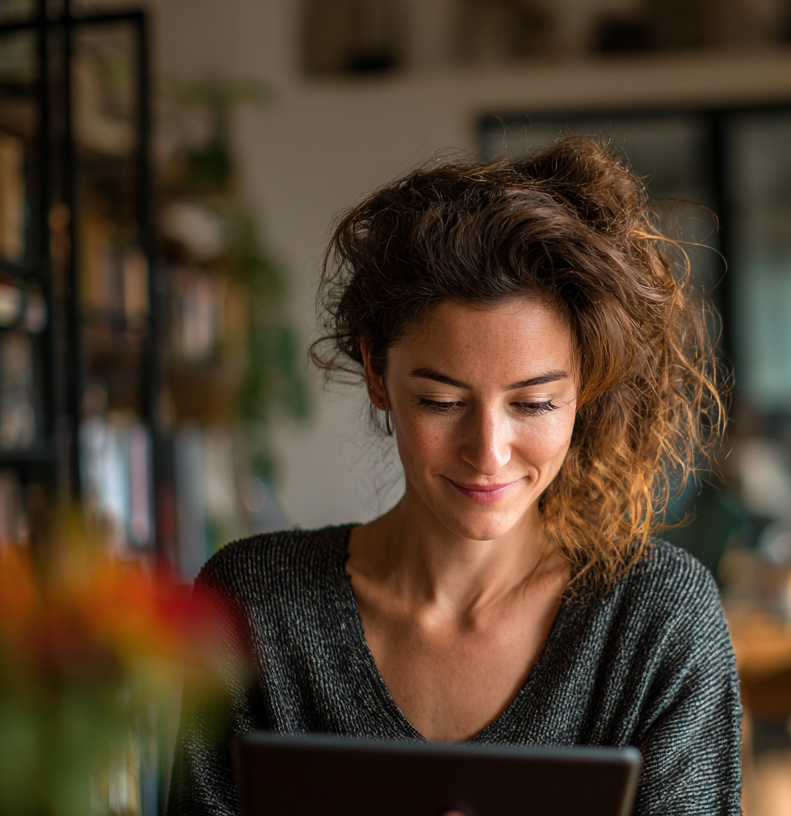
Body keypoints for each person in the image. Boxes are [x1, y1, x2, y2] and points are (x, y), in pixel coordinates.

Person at [166, 136, 741, 816]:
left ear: (585, 392)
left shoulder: (656, 622)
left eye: (534, 404)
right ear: (377, 373)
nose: (489, 452)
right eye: (441, 402)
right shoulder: (254, 606)